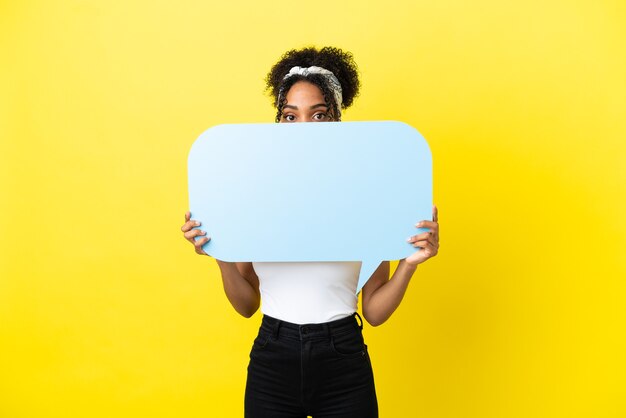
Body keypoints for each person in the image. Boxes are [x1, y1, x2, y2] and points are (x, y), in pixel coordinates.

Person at [181, 46, 440, 418]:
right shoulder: (256, 199)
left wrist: (410, 264)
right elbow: (246, 305)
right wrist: (218, 250)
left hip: (343, 360)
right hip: (273, 357)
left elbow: (375, 311)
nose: (303, 128)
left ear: (336, 122)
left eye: (318, 115)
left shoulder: (367, 199)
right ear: (279, 123)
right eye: (290, 116)